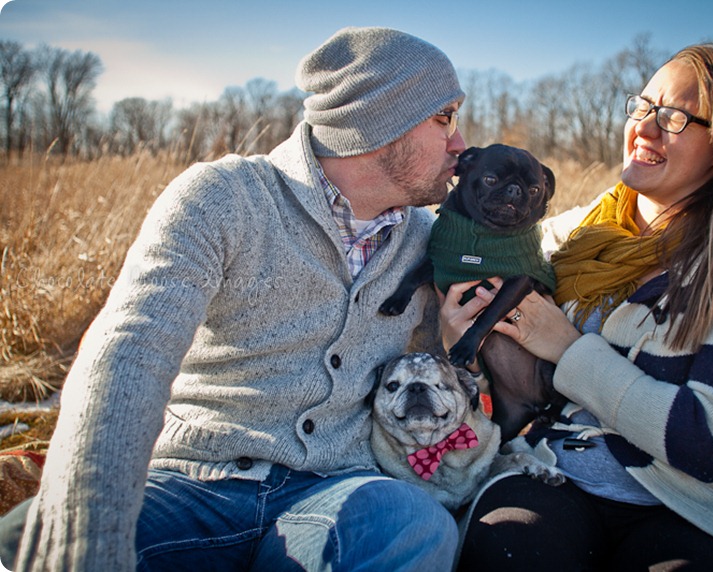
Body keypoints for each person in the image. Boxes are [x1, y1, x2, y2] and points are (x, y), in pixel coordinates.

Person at [2, 26, 467, 571]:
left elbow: (453, 373)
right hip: (191, 485)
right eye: (445, 117)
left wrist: (462, 342)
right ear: (379, 123)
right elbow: (128, 355)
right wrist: (84, 540)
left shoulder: (429, 239)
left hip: (337, 496)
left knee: (412, 524)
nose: (459, 142)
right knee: (23, 542)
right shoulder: (222, 198)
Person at [442, 43, 713, 571]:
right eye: (643, 106)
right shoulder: (562, 234)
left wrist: (571, 349)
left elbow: (708, 444)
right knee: (510, 550)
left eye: (673, 117)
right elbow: (504, 381)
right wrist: (456, 341)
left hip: (684, 505)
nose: (644, 128)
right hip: (547, 470)